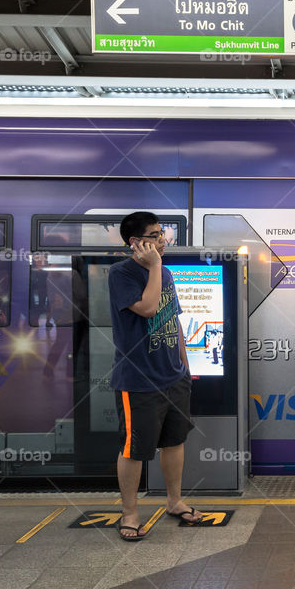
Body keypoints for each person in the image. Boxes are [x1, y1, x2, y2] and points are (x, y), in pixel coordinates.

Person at [108, 211, 202, 541]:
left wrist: (186, 368)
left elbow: (172, 319)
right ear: (136, 242)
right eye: (155, 235)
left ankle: (174, 502)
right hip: (138, 380)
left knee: (174, 441)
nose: (162, 240)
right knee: (134, 449)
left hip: (173, 377)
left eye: (162, 233)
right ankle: (130, 513)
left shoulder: (167, 272)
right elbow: (147, 308)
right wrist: (155, 267)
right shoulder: (121, 274)